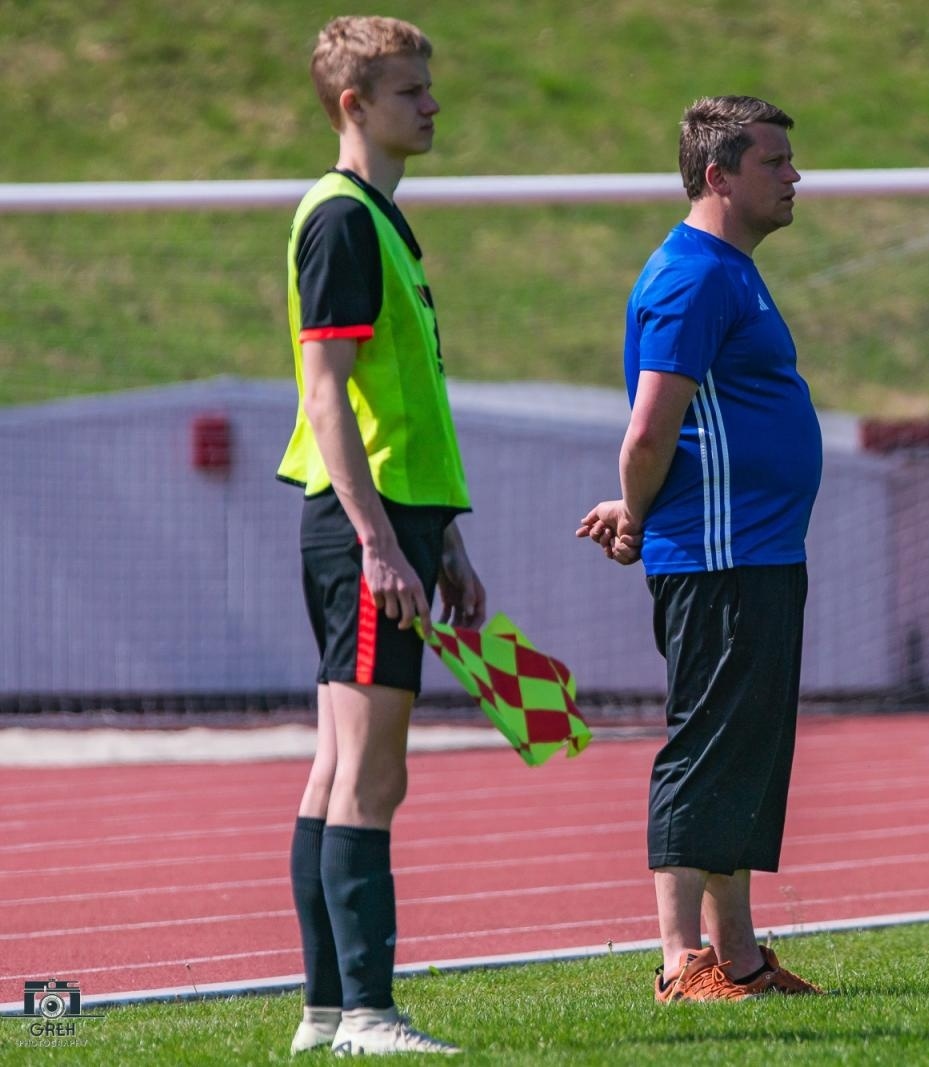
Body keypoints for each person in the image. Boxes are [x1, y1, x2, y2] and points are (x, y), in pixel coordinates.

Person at [577, 95, 827, 1002]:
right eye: (774, 161)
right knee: (707, 745)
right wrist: (638, 512)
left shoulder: (729, 270)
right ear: (718, 175)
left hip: (758, 551)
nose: (794, 175)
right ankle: (681, 960)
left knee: (745, 753)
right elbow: (651, 428)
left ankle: (741, 957)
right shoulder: (694, 276)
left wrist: (635, 502)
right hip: (722, 557)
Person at [277, 15, 484, 1056]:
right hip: (364, 524)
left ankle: (325, 1012)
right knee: (370, 774)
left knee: (339, 768)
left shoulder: (378, 219)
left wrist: (441, 539)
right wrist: (379, 540)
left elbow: (399, 401)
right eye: (411, 91)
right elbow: (327, 393)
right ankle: (366, 1010)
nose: (432, 105)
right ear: (354, 105)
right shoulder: (342, 220)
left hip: (394, 518)